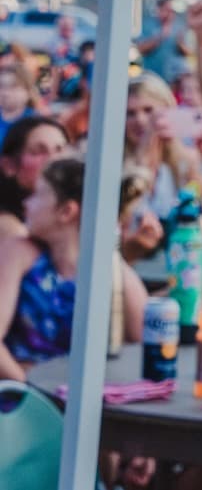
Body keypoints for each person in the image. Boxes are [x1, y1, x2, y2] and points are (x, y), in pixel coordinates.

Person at [0, 157, 149, 381]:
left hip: (88, 400)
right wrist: (33, 392)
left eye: (38, 194)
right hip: (22, 398)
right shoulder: (19, 252)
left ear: (66, 211)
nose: (26, 203)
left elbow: (145, 350)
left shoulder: (115, 275)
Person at [123, 73, 202, 219]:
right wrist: (144, 155)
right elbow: (127, 218)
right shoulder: (116, 163)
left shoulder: (185, 160)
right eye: (130, 113)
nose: (140, 120)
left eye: (148, 110)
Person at [0, 116, 69, 239]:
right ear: (8, 165)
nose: (54, 159)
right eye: (38, 152)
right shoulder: (9, 228)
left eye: (60, 150)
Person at [136, 0, 192, 84]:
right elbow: (141, 49)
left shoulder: (180, 26)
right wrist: (161, 36)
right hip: (153, 77)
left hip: (176, 79)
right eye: (167, 10)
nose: (170, 14)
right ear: (159, 10)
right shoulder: (148, 25)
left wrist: (180, 44)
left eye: (172, 11)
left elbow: (189, 52)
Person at [0, 63, 39, 146]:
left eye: (13, 86)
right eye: (1, 86)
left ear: (28, 92)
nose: (5, 93)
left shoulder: (35, 124)